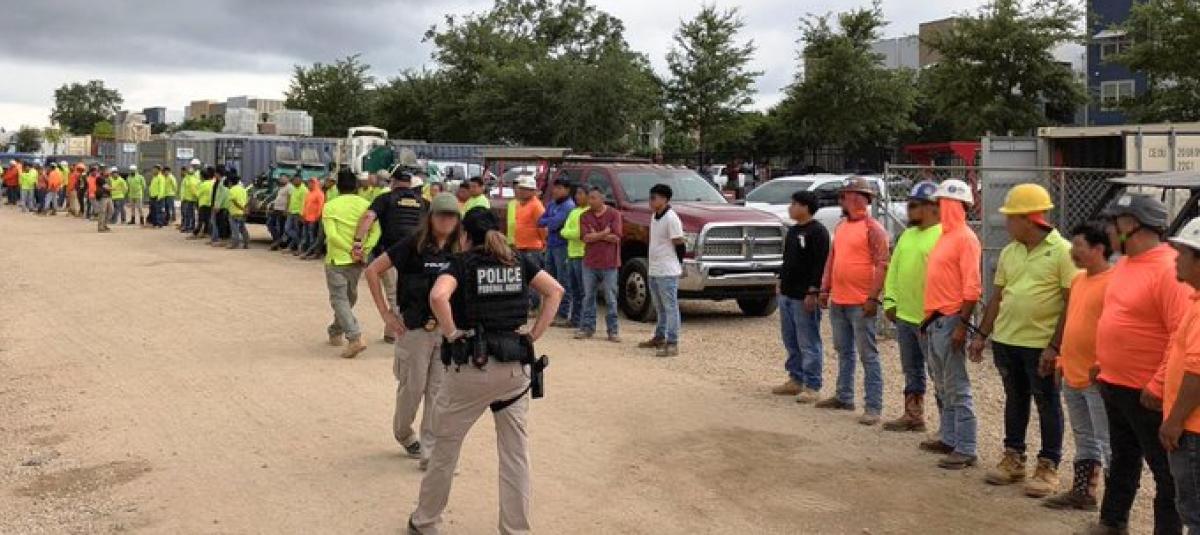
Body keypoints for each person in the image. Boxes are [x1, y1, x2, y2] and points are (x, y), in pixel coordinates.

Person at [407, 207, 563, 535]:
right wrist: (533, 335)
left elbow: (438, 296)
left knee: (445, 450)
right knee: (515, 455)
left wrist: (451, 332)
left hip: (471, 368)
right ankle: (515, 529)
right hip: (514, 370)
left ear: (465, 235)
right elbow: (555, 291)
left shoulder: (461, 264)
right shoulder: (518, 261)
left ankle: (425, 521)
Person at [1082, 194, 1188, 534]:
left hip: (1147, 392)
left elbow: (1179, 335)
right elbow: (1118, 317)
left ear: (1132, 225)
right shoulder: (1125, 264)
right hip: (1115, 384)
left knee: (1165, 472)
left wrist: (1157, 384)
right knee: (1123, 457)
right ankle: (1113, 521)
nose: (1108, 230)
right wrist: (1101, 362)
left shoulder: (1169, 270)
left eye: (1114, 223)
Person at [971, 183, 1073, 497]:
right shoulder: (1009, 252)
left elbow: (1071, 302)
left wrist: (1055, 346)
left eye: (1011, 217)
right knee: (1015, 399)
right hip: (1007, 340)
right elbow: (998, 297)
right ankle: (1013, 457)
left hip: (1040, 345)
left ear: (1029, 219)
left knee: (1047, 402)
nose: (1006, 223)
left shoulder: (1063, 252)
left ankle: (1048, 465)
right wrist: (982, 335)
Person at [365, 193, 462, 464]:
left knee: (438, 392)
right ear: (431, 218)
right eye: (441, 215)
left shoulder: (460, 249)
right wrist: (386, 313)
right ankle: (404, 433)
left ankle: (429, 450)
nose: (446, 221)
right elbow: (373, 271)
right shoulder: (412, 245)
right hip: (415, 330)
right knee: (412, 388)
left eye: (452, 216)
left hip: (446, 331)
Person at [1041, 223, 1113, 509]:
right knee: (1084, 436)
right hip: (1073, 372)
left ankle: (1114, 508)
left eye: (1079, 246)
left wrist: (1104, 363)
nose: (1073, 252)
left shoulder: (1113, 282)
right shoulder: (1079, 280)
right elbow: (1072, 322)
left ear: (1099, 249)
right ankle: (1083, 491)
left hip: (1097, 376)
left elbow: (1117, 330)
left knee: (1107, 441)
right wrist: (1061, 359)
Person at [816, 177, 892, 426]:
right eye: (844, 196)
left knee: (867, 354)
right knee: (844, 351)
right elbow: (832, 259)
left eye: (847, 195)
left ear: (861, 199)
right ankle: (844, 395)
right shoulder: (841, 227)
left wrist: (872, 297)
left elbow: (882, 264)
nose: (844, 200)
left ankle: (873, 406)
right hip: (839, 299)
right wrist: (825, 288)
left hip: (860, 302)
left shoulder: (874, 229)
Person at [920, 179, 983, 470]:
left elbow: (972, 288)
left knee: (957, 385)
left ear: (958, 206)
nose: (939, 208)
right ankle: (949, 437)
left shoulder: (965, 239)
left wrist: (961, 325)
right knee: (942, 383)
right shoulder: (945, 237)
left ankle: (966, 447)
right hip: (936, 319)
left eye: (943, 203)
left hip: (950, 318)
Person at [879, 181, 943, 433]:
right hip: (905, 316)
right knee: (912, 369)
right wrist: (890, 300)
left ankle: (947, 427)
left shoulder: (943, 236)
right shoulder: (907, 235)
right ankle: (913, 415)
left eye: (914, 205)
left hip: (930, 319)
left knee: (938, 373)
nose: (909, 209)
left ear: (932, 207)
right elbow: (894, 269)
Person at [1159, 216, 1200, 534]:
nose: (1176, 259)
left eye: (1183, 252)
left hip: (1193, 428)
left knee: (1195, 511)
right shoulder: (1194, 300)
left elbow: (1197, 371)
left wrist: (1174, 421)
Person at [355, 171, 427, 343]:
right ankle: (391, 332)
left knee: (394, 293)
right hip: (418, 255)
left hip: (390, 253)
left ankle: (397, 331)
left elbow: (369, 217)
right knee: (411, 291)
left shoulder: (385, 198)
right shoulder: (424, 202)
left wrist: (358, 241)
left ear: (393, 182)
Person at [772, 190, 830, 401]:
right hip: (787, 293)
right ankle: (795, 378)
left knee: (808, 340)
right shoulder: (793, 231)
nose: (791, 207)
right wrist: (780, 280)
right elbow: (787, 259)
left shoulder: (818, 232)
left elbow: (819, 264)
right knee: (791, 339)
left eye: (795, 204)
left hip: (803, 294)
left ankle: (813, 384)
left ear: (806, 207)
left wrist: (813, 290)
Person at [322, 170, 380, 359]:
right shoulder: (366, 205)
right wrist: (362, 250)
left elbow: (332, 236)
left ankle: (354, 337)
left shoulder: (330, 206)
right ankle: (335, 331)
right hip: (357, 261)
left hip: (337, 259)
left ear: (338, 187)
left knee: (340, 299)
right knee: (349, 298)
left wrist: (350, 250)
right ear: (356, 186)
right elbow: (376, 232)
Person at [636, 183, 685, 357]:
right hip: (655, 268)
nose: (650, 201)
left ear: (664, 199)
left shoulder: (671, 218)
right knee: (659, 307)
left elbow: (679, 243)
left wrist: (679, 264)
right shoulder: (655, 216)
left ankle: (673, 342)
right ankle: (660, 336)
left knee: (670, 307)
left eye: (653, 198)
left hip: (667, 269)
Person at [576, 187, 623, 343]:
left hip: (610, 263)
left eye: (593, 198)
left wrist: (595, 234)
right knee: (588, 296)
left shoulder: (614, 214)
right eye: (589, 197)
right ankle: (587, 328)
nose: (590, 201)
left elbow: (616, 237)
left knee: (611, 298)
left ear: (602, 198)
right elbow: (585, 238)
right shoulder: (584, 216)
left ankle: (613, 330)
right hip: (590, 262)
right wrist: (604, 233)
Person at [539, 177, 575, 324]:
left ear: (567, 190)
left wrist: (550, 221)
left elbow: (553, 224)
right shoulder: (552, 204)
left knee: (563, 280)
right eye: (555, 187)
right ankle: (550, 312)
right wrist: (551, 220)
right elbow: (540, 221)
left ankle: (563, 313)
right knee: (550, 280)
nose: (556, 191)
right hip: (551, 245)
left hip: (563, 247)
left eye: (560, 188)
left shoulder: (568, 206)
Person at [508, 175, 547, 313]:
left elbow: (542, 227)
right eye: (521, 188)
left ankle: (533, 305)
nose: (521, 191)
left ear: (532, 191)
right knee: (523, 277)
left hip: (532, 247)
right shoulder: (520, 205)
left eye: (525, 189)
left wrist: (543, 243)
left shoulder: (536, 206)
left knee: (532, 278)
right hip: (520, 246)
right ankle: (526, 304)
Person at [558, 186, 589, 330]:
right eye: (576, 193)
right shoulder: (574, 211)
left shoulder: (588, 213)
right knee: (574, 290)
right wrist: (569, 232)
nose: (577, 196)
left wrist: (568, 232)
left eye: (581, 193)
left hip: (583, 255)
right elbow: (564, 230)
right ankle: (574, 319)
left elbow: (579, 233)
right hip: (571, 254)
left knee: (583, 291)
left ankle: (584, 321)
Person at [299, 178, 326, 256]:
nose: (309, 185)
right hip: (306, 218)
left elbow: (321, 206)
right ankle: (305, 250)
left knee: (312, 236)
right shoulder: (309, 193)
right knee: (305, 235)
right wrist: (303, 214)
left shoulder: (319, 193)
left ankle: (312, 251)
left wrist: (317, 216)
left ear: (315, 184)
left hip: (313, 219)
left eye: (311, 183)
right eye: (308, 183)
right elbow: (305, 205)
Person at [268, 175, 293, 250]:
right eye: (281, 179)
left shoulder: (289, 187)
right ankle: (277, 241)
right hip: (276, 209)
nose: (281, 180)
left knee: (282, 227)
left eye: (283, 179)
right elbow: (278, 198)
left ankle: (279, 243)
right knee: (270, 224)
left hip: (282, 210)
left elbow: (290, 199)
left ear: (288, 179)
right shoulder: (281, 187)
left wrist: (286, 209)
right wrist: (271, 204)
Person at [285, 175, 308, 254]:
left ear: (300, 180)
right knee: (287, 229)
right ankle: (299, 244)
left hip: (298, 214)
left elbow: (304, 203)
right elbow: (292, 200)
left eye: (296, 180)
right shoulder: (293, 188)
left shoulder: (304, 190)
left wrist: (302, 214)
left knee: (297, 231)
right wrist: (288, 209)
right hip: (291, 212)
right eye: (294, 180)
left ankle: (295, 247)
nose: (294, 182)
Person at [191, 169, 215, 239]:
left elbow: (197, 194)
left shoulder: (203, 184)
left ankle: (196, 233)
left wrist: (193, 190)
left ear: (202, 176)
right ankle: (205, 233)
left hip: (203, 204)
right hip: (209, 204)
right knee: (207, 219)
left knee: (201, 220)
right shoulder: (212, 183)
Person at [227, 176, 249, 250]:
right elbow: (246, 201)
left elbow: (234, 201)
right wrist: (244, 209)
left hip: (234, 213)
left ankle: (235, 244)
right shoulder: (243, 190)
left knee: (235, 229)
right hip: (242, 213)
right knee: (243, 228)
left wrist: (241, 208)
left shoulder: (232, 190)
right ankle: (246, 243)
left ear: (230, 182)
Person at [211, 173, 231, 247]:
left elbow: (221, 195)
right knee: (221, 223)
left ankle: (223, 240)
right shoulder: (220, 182)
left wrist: (217, 206)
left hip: (223, 207)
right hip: (223, 206)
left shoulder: (222, 183)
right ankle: (221, 239)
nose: (214, 175)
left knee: (222, 224)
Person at [180, 164, 201, 232]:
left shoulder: (190, 180)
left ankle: (189, 227)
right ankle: (189, 227)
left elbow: (193, 190)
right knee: (189, 214)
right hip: (189, 199)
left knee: (189, 214)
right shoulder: (191, 179)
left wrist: (197, 196)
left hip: (189, 199)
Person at [94, 167, 113, 233]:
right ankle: (100, 227)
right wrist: (114, 188)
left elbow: (109, 186)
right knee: (102, 212)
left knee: (111, 211)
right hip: (102, 197)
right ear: (103, 171)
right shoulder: (100, 178)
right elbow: (106, 187)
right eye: (108, 171)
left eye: (109, 171)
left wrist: (111, 188)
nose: (109, 172)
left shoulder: (109, 178)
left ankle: (104, 224)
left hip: (108, 196)